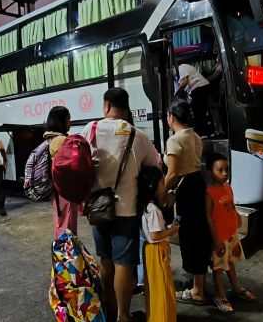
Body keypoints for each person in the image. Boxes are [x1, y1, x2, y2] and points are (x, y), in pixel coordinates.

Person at [81, 87, 159, 322]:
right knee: (123, 262)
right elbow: (156, 166)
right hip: (127, 208)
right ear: (126, 109)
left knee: (105, 258)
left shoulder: (90, 129)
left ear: (106, 106)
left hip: (98, 207)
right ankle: (123, 315)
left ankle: (110, 307)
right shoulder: (139, 136)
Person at [164, 100, 211, 306]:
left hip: (185, 188)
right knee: (199, 234)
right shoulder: (195, 136)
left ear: (171, 118)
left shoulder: (175, 140)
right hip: (198, 184)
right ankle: (198, 282)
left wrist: (160, 192)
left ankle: (197, 292)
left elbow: (172, 172)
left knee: (190, 236)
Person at [205, 153, 255, 313]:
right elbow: (208, 217)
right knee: (218, 268)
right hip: (219, 237)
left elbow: (231, 205)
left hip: (231, 234)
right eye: (220, 170)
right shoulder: (209, 192)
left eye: (227, 169)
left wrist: (236, 216)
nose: (225, 173)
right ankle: (221, 296)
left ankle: (236, 287)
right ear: (210, 171)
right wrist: (215, 239)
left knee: (230, 262)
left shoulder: (227, 187)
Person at [138, 166, 179, 322]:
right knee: (162, 288)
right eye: (162, 183)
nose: (165, 186)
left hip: (150, 250)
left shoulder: (146, 206)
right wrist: (172, 230)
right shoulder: (153, 209)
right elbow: (156, 235)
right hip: (156, 251)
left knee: (154, 287)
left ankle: (155, 316)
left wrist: (167, 228)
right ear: (152, 186)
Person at [44, 106, 81, 239]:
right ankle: (68, 257)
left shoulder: (50, 138)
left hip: (57, 189)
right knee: (67, 226)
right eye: (68, 119)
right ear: (62, 121)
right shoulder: (61, 140)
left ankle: (62, 255)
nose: (70, 123)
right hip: (65, 190)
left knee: (61, 223)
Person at [175, 61, 211, 137]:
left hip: (200, 87)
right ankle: (203, 130)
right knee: (200, 110)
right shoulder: (183, 68)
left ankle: (202, 132)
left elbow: (184, 81)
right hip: (201, 87)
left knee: (198, 110)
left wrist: (176, 93)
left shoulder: (181, 67)